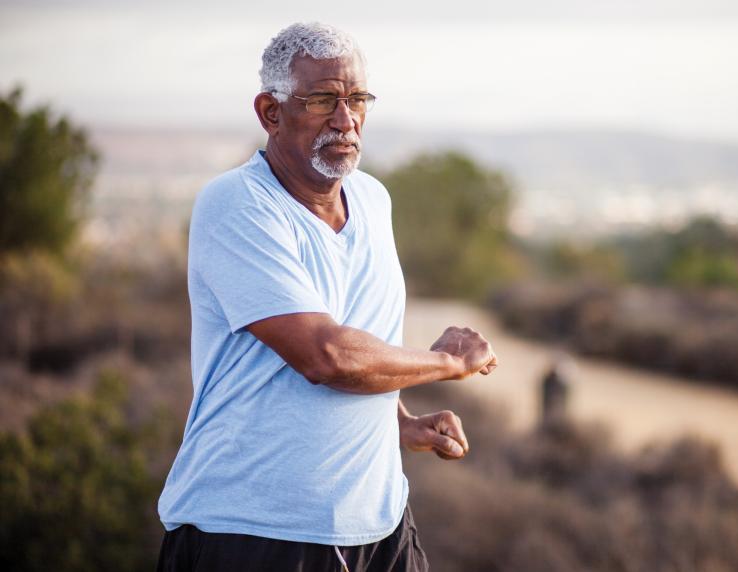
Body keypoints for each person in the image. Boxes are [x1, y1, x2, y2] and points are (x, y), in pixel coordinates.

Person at [156, 22, 499, 572]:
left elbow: (360, 332)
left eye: (357, 99)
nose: (346, 120)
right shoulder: (238, 206)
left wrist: (397, 422)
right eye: (322, 101)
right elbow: (327, 356)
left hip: (382, 521)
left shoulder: (372, 198)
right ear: (270, 112)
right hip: (254, 532)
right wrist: (447, 362)